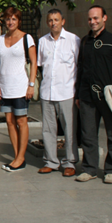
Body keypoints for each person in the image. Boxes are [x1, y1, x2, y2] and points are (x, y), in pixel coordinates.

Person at [75, 5, 112, 184]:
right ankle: (89, 169)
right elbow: (80, 69)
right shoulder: (84, 42)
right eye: (90, 19)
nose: (93, 22)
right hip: (87, 97)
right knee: (88, 134)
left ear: (105, 18)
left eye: (96, 18)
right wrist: (78, 95)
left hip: (110, 97)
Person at [36, 9, 80, 177]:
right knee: (48, 129)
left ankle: (70, 162)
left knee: (69, 129)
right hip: (47, 92)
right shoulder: (42, 41)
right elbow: (41, 65)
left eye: (56, 19)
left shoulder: (73, 40)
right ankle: (51, 161)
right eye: (50, 20)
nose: (53, 23)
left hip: (67, 92)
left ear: (63, 21)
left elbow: (77, 65)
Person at [0, 7, 37, 172]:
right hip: (5, 87)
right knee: (10, 122)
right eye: (8, 19)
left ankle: (20, 158)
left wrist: (31, 85)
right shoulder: (0, 40)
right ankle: (18, 157)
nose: (10, 22)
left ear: (19, 21)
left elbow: (34, 62)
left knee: (21, 121)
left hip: (20, 87)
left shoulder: (27, 38)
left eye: (14, 19)